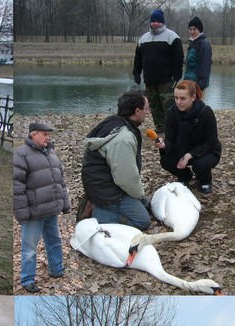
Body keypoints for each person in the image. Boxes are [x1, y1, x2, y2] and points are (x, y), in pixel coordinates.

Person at [81, 89, 151, 230]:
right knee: (143, 221)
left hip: (99, 184)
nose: (148, 112)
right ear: (137, 111)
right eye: (146, 109)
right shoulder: (123, 138)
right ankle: (98, 213)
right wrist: (138, 194)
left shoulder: (115, 122)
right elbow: (125, 178)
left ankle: (96, 202)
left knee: (147, 205)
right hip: (107, 191)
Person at [13, 121, 71, 294]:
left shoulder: (52, 153)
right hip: (33, 214)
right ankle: (27, 279)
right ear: (33, 135)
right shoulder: (21, 155)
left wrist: (65, 204)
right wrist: (22, 214)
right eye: (45, 134)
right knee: (29, 249)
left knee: (55, 242)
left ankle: (56, 269)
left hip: (51, 211)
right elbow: (17, 188)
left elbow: (60, 182)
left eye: (49, 134)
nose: (48, 137)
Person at [152, 80, 221, 194]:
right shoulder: (172, 113)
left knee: (200, 165)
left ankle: (205, 180)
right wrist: (163, 145)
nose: (178, 102)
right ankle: (184, 176)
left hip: (205, 151)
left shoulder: (206, 112)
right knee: (166, 161)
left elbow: (211, 142)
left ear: (193, 97)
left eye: (183, 98)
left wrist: (189, 155)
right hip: (181, 148)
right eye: (176, 98)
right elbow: (170, 140)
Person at [133, 9, 183, 133]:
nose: (155, 24)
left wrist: (177, 76)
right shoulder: (143, 39)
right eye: (153, 21)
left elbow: (179, 58)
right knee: (154, 106)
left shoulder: (172, 37)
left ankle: (172, 128)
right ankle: (160, 127)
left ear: (162, 22)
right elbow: (138, 58)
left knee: (169, 106)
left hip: (167, 80)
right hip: (149, 79)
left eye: (158, 22)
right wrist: (136, 73)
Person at [183, 17, 212, 91]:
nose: (192, 31)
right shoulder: (192, 42)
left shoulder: (204, 44)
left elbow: (205, 66)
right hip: (188, 82)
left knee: (197, 103)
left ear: (199, 30)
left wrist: (200, 86)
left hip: (197, 85)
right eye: (190, 29)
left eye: (194, 29)